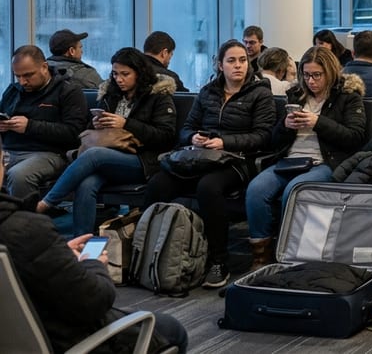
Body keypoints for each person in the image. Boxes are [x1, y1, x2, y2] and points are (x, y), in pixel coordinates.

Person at [0, 144, 189, 354]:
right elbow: (95, 302)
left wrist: (57, 253)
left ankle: (49, 205)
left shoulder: (25, 233)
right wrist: (94, 265)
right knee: (172, 329)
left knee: (88, 179)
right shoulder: (29, 230)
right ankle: (47, 205)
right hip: (63, 340)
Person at [143, 39, 276, 289]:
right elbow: (186, 128)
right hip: (201, 157)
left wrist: (224, 142)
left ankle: (218, 260)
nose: (238, 66)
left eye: (243, 60)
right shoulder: (208, 92)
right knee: (158, 183)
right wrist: (193, 137)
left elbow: (263, 136)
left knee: (208, 188)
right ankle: (148, 251)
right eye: (232, 60)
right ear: (220, 64)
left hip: (236, 161)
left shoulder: (260, 93)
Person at [245, 46, 368, 270]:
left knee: (295, 191)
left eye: (316, 75)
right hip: (291, 159)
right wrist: (285, 126)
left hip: (326, 162)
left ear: (330, 72)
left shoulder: (348, 96)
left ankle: (287, 254)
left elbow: (355, 137)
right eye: (306, 75)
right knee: (256, 190)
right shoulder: (295, 95)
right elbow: (274, 141)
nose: (311, 81)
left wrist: (317, 123)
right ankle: (261, 258)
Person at [36, 48, 176, 237]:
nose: (119, 79)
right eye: (115, 74)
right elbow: (88, 131)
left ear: (140, 73)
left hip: (142, 161)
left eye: (125, 74)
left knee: (94, 154)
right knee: (86, 183)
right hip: (108, 158)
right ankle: (82, 241)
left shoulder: (158, 97)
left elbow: (165, 137)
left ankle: (47, 203)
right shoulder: (111, 94)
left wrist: (127, 123)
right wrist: (95, 124)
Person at [0, 45, 87, 199]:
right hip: (9, 150)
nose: (22, 82)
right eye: (17, 76)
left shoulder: (68, 91)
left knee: (19, 175)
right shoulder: (13, 90)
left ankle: (24, 221)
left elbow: (74, 134)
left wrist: (30, 126)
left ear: (44, 67)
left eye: (28, 75)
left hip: (50, 153)